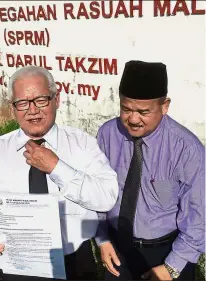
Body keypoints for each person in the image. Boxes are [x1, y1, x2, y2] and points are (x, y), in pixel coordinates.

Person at [0, 65, 119, 280]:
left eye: (41, 100)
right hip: (16, 265)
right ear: (12, 107)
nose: (32, 110)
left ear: (56, 99)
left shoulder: (82, 144)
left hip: (74, 261)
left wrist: (58, 168)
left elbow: (106, 198)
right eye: (22, 103)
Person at [95, 60, 205, 280]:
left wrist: (172, 267)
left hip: (166, 252)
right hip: (117, 249)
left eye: (143, 111)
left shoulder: (186, 148)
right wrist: (102, 238)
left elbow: (198, 215)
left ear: (165, 106)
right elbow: (96, 191)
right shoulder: (108, 134)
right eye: (126, 109)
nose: (133, 119)